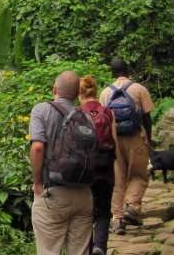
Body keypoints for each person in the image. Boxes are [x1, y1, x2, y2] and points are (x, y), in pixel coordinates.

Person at [28, 71, 93, 255]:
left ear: (54, 89)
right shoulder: (86, 117)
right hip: (83, 194)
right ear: (77, 94)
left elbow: (38, 147)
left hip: (53, 193)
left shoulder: (41, 110)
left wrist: (37, 182)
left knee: (49, 251)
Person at [99, 58, 155, 234]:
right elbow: (147, 118)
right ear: (127, 71)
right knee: (139, 175)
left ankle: (117, 219)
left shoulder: (105, 93)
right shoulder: (139, 89)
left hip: (114, 141)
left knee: (118, 179)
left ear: (112, 73)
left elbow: (104, 121)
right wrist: (149, 140)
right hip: (135, 138)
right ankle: (132, 206)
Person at [79, 75, 116, 255]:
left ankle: (89, 247)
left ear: (80, 93)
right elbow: (114, 140)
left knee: (85, 213)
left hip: (84, 170)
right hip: (105, 168)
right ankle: (100, 246)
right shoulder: (107, 112)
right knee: (103, 212)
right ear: (96, 90)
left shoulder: (76, 113)